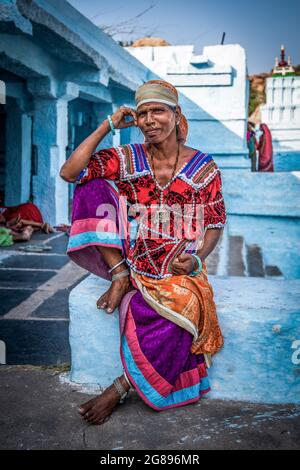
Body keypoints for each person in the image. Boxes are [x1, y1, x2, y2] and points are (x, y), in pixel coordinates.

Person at [60, 80, 226, 425]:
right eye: (143, 114)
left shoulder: (204, 168)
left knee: (185, 311)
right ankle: (120, 276)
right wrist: (108, 125)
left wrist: (198, 259)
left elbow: (214, 222)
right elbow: (70, 172)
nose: (150, 120)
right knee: (89, 188)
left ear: (175, 114)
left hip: (180, 267)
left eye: (158, 111)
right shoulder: (128, 158)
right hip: (135, 260)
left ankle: (120, 387)